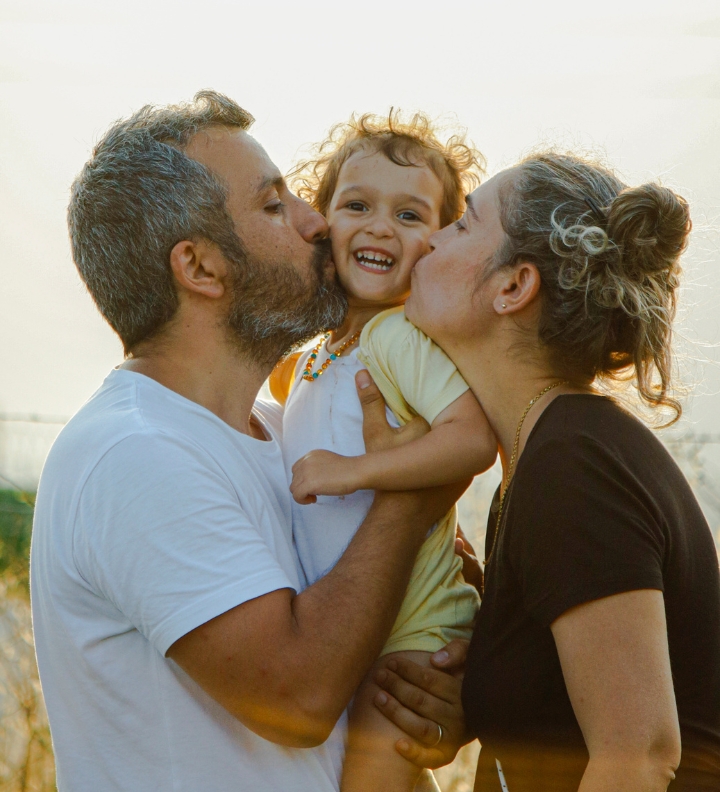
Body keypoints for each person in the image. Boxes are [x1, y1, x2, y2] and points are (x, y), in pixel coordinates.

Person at [30, 91, 468, 792]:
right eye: (273, 205)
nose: (315, 221)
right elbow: (297, 698)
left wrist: (430, 684)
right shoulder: (136, 453)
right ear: (200, 268)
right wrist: (408, 499)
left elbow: (365, 612)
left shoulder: (285, 425)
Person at [378, 151, 720, 790]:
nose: (428, 238)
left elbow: (639, 756)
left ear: (513, 287)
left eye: (461, 225)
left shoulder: (574, 465)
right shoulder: (547, 455)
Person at [269, 112, 496, 792]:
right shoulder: (311, 357)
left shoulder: (398, 338)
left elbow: (472, 438)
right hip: (352, 627)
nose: (378, 227)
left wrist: (355, 472)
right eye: (356, 205)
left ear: (438, 243)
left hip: (413, 628)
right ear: (323, 220)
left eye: (408, 214)